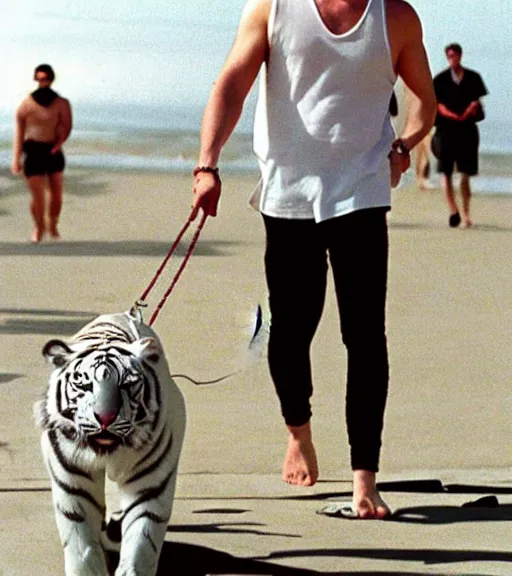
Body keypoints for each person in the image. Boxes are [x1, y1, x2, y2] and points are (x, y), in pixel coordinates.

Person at [191, 0, 436, 519]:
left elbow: (424, 100)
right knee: (290, 332)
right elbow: (232, 84)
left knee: (366, 336)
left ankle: (364, 478)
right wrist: (206, 164)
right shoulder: (273, 9)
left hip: (362, 193)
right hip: (288, 195)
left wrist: (404, 145)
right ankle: (298, 431)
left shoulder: (395, 17)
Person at [12, 64, 73, 243]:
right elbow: (19, 133)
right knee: (38, 196)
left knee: (56, 195)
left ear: (51, 79)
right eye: (39, 79)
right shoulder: (26, 104)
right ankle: (39, 227)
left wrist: (59, 142)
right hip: (33, 151)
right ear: (35, 80)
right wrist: (16, 159)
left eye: (45, 79)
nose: (42, 83)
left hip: (53, 150)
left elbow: (67, 127)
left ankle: (52, 224)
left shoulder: (61, 103)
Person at [433, 43, 488, 227]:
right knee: (445, 172)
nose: (453, 59)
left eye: (455, 55)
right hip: (446, 130)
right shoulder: (440, 80)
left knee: (465, 174)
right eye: (449, 56)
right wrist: (451, 115)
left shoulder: (473, 78)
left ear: (460, 55)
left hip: (467, 131)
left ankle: (466, 213)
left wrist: (469, 111)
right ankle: (453, 211)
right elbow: (437, 105)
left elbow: (477, 102)